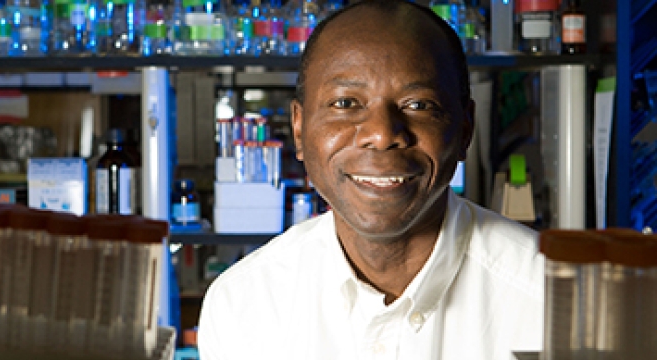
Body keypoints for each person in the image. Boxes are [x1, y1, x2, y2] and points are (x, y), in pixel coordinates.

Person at [198, 1, 544, 359]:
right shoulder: (242, 304)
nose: (381, 134)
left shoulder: (549, 299)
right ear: (299, 129)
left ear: (464, 130)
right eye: (346, 103)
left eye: (419, 105)